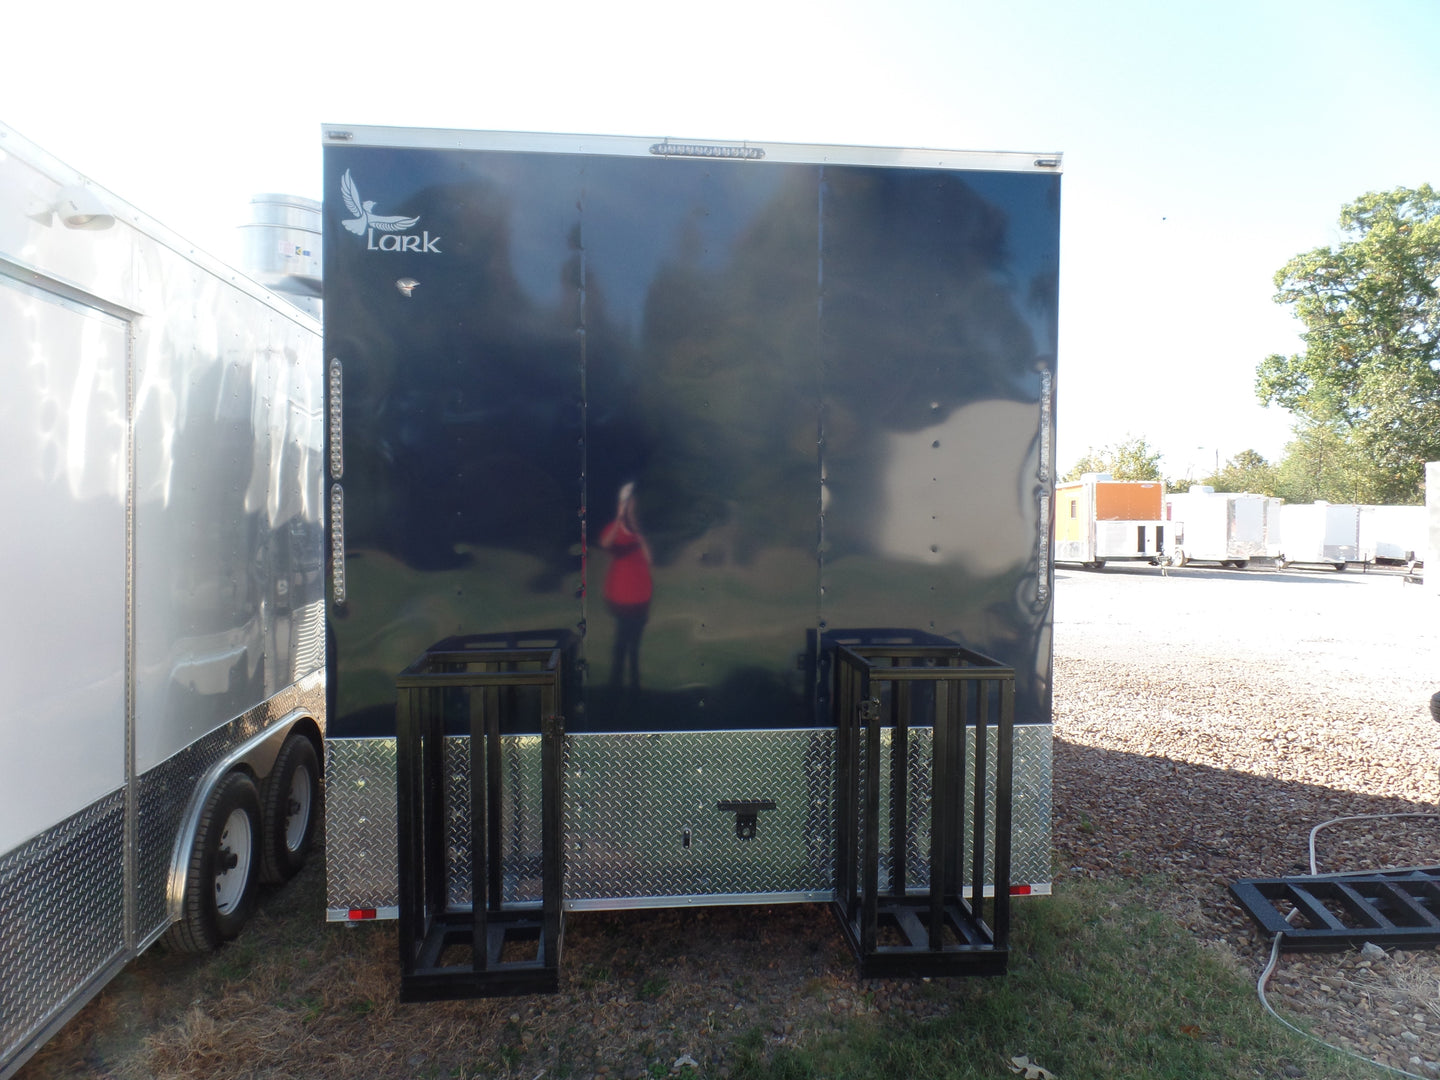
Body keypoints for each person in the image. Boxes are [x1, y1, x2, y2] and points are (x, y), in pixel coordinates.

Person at [598, 481, 652, 694]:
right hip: (621, 597)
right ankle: (616, 684)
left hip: (641, 597)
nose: (632, 507)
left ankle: (635, 684)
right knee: (621, 643)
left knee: (635, 645)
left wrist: (638, 532)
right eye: (628, 504)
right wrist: (620, 518)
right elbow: (605, 544)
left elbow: (648, 559)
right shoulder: (615, 529)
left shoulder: (638, 531)